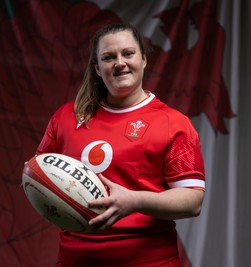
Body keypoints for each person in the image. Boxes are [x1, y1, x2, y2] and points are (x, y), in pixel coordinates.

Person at [36, 22, 205, 267]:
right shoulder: (65, 117)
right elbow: (41, 175)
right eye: (108, 57)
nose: (119, 63)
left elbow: (193, 201)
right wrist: (33, 179)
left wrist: (134, 200)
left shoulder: (174, 123)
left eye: (128, 53)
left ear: (144, 60)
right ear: (97, 68)